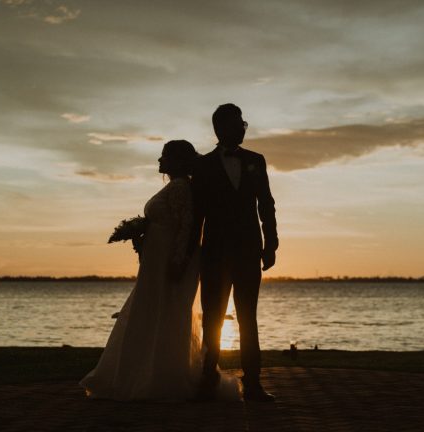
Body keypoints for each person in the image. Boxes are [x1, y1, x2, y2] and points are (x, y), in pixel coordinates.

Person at [80, 140, 240, 401]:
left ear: (177, 160)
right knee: (151, 314)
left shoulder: (180, 187)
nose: (159, 160)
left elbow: (187, 226)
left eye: (164, 156)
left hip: (169, 263)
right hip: (156, 263)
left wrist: (178, 261)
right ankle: (142, 374)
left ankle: (163, 378)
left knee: (166, 314)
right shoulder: (175, 187)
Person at [192, 104, 278, 402]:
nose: (244, 127)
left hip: (248, 251)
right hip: (214, 253)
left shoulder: (256, 160)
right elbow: (197, 213)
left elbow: (266, 204)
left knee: (248, 317)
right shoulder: (202, 166)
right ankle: (207, 378)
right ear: (222, 128)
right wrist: (192, 251)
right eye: (239, 122)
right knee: (212, 318)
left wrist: (271, 244)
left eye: (244, 122)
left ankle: (253, 383)